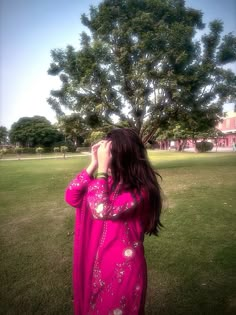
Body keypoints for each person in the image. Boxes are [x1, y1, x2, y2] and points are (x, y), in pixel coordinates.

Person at [65, 128, 163, 315]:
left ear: (123, 157)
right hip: (96, 264)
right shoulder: (103, 184)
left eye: (110, 154)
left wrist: (102, 171)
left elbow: (102, 210)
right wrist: (93, 164)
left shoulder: (140, 191)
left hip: (122, 270)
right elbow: (72, 196)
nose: (106, 158)